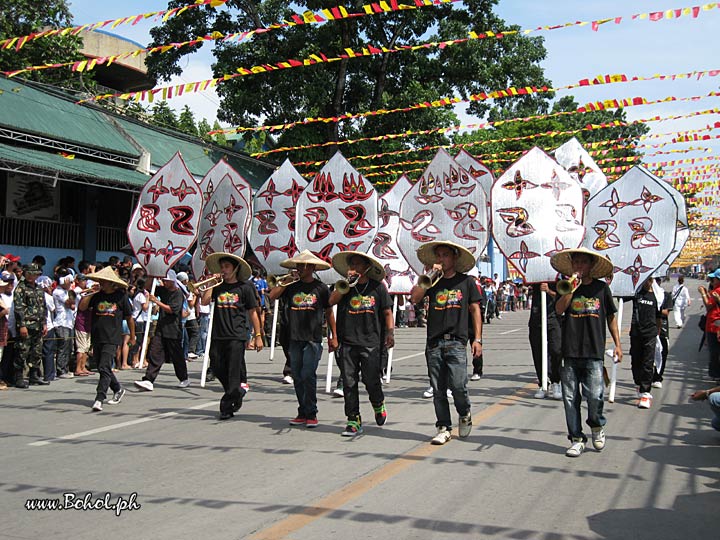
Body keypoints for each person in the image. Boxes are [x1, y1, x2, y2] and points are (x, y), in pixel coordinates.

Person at [409, 241, 482, 445]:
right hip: (434, 342)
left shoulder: (466, 282)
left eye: (445, 255)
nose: (441, 259)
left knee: (458, 386)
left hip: (457, 342)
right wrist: (427, 278)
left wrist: (477, 339)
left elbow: (475, 310)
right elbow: (414, 298)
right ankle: (443, 426)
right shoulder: (431, 282)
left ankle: (464, 412)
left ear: (455, 258)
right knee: (438, 389)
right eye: (438, 256)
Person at [552, 247, 622, 458]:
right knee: (570, 398)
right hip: (570, 351)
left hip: (593, 351)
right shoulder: (565, 287)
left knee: (595, 396)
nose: (579, 267)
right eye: (576, 263)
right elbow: (559, 310)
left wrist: (618, 344)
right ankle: (576, 438)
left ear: (591, 266)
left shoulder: (601, 289)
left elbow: (610, 317)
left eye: (583, 262)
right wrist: (571, 289)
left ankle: (597, 425)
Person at [268, 250, 337, 428]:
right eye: (298, 264)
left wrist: (333, 336)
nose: (300, 268)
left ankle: (311, 412)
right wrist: (286, 281)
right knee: (297, 376)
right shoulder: (291, 286)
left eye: (304, 265)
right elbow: (272, 296)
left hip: (313, 338)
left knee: (308, 374)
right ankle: (302, 410)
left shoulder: (320, 288)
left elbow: (329, 312)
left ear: (312, 267)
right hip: (294, 337)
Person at [329, 251, 394, 436]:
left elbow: (387, 312)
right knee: (349, 382)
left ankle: (378, 402)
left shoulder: (378, 288)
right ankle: (353, 419)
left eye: (357, 265)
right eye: (351, 265)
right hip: (347, 341)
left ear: (366, 267)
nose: (354, 268)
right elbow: (330, 302)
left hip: (371, 342)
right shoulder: (343, 287)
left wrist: (390, 333)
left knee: (371, 380)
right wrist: (344, 288)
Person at [200, 253, 262, 420]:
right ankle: (236, 392)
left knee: (234, 370)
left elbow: (253, 313)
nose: (223, 270)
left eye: (226, 266)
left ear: (235, 269)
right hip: (218, 334)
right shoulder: (218, 287)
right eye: (222, 267)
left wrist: (258, 335)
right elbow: (204, 302)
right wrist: (211, 284)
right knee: (217, 366)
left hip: (237, 335)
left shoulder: (245, 287)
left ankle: (226, 407)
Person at [79, 267, 135, 411]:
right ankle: (117, 389)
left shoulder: (121, 297)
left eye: (105, 281)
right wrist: (92, 293)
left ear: (112, 283)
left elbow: (129, 318)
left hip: (112, 337)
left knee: (104, 366)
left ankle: (99, 397)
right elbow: (82, 307)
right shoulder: (97, 296)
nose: (102, 283)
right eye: (101, 281)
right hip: (97, 336)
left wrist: (132, 336)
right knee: (101, 367)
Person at [134, 270, 189, 391]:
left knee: (177, 356)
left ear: (172, 281)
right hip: (161, 327)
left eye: (166, 280)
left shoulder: (178, 293)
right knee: (155, 352)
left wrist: (157, 301)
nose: (164, 282)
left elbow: (172, 310)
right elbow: (148, 287)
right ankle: (148, 379)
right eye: (163, 280)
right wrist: (151, 274)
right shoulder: (163, 289)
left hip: (174, 329)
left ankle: (183, 377)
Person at [12, 263, 47, 388]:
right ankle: (18, 377)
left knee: (36, 352)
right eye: (30, 273)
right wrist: (21, 325)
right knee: (22, 351)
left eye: (35, 274)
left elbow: (43, 307)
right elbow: (19, 308)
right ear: (25, 274)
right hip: (26, 324)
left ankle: (34, 376)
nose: (33, 276)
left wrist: (44, 323)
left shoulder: (38, 288)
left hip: (38, 324)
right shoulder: (21, 288)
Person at [629, 277, 661, 409]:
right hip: (636, 333)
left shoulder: (658, 296)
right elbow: (621, 296)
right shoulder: (636, 293)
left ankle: (645, 393)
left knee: (648, 363)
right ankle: (638, 383)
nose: (646, 282)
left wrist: (657, 332)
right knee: (636, 361)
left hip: (650, 334)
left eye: (648, 279)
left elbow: (659, 316)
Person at [528, 282, 563, 400]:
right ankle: (543, 383)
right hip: (536, 316)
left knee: (556, 349)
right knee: (538, 352)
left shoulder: (557, 274)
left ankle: (556, 381)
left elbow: (562, 297)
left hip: (553, 317)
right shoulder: (536, 272)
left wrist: (549, 291)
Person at [52, 271, 76, 379]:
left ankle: (65, 368)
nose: (70, 284)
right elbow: (69, 303)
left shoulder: (66, 291)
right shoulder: (58, 291)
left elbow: (72, 307)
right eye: (69, 281)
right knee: (63, 347)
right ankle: (61, 370)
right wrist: (71, 291)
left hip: (68, 322)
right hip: (61, 322)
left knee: (68, 347)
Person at [699, 269, 720, 383]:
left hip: (714, 324)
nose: (712, 281)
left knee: (714, 351)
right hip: (713, 323)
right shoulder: (715, 290)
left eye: (714, 279)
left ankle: (714, 374)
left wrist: (702, 293)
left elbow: (708, 305)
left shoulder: (718, 291)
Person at [652, 278, 673, 389]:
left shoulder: (665, 295)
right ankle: (648, 377)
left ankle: (658, 377)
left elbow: (666, 312)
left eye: (656, 280)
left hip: (662, 330)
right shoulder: (645, 294)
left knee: (662, 353)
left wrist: (654, 308)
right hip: (648, 329)